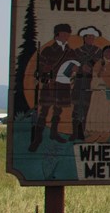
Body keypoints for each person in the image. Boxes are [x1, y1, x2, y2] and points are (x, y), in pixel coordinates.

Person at [29, 23, 76, 152]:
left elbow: (75, 65)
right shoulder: (48, 50)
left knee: (58, 110)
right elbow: (40, 67)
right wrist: (45, 69)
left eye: (68, 33)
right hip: (50, 84)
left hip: (63, 84)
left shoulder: (70, 51)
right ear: (58, 34)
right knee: (44, 111)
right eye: (64, 33)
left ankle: (54, 133)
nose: (67, 36)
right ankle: (37, 139)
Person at [70, 26, 102, 141]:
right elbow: (72, 66)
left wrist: (90, 68)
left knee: (86, 107)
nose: (90, 39)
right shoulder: (77, 51)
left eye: (92, 37)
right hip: (79, 82)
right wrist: (80, 68)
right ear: (84, 38)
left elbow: (99, 66)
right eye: (88, 37)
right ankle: (75, 132)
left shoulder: (98, 51)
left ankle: (82, 131)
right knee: (77, 107)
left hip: (90, 82)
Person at [85, 45, 110, 143]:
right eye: (106, 52)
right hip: (98, 92)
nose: (108, 54)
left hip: (109, 91)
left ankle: (105, 134)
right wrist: (100, 73)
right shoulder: (98, 64)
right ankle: (95, 133)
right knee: (96, 111)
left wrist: (109, 80)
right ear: (103, 53)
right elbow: (94, 80)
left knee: (107, 112)